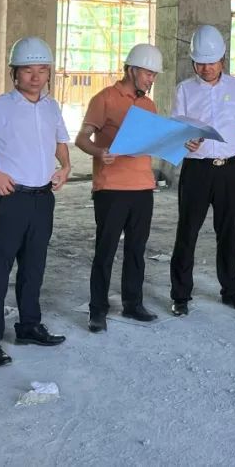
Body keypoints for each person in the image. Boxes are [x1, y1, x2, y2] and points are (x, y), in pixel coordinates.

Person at [0, 37, 71, 368]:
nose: (36, 77)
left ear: (49, 73)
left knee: (34, 267)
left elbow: (60, 141)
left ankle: (28, 326)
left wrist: (66, 167)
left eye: (42, 70)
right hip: (10, 199)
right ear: (15, 73)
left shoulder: (52, 107)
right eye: (28, 70)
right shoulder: (0, 107)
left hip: (43, 198)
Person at [76, 43, 164, 332]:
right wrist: (99, 152)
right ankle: (97, 310)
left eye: (154, 75)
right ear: (132, 70)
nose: (151, 80)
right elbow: (81, 139)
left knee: (137, 250)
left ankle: (133, 304)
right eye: (148, 74)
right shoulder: (104, 99)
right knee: (106, 250)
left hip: (143, 187)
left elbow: (152, 140)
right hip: (111, 188)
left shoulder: (149, 105)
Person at [169, 25, 235, 316]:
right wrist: (185, 140)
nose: (206, 68)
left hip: (229, 169)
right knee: (187, 232)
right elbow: (177, 131)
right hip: (197, 170)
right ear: (193, 61)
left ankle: (231, 291)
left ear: (222, 60)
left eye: (211, 62)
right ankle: (180, 295)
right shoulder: (184, 89)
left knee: (228, 232)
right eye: (200, 63)